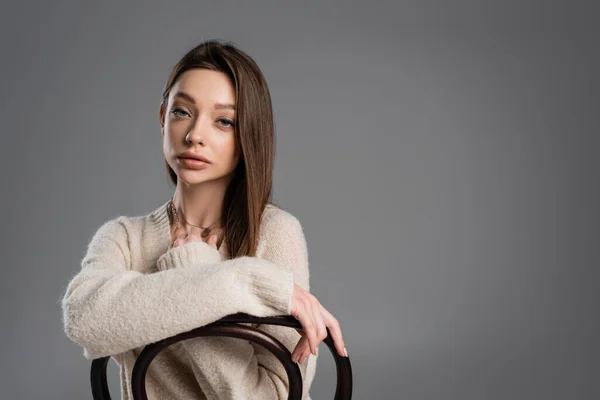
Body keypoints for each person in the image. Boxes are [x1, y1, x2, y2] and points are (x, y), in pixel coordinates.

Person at [60, 39, 347, 400]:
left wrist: (194, 267)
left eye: (223, 121)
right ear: (163, 117)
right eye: (182, 112)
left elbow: (275, 396)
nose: (195, 135)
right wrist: (249, 282)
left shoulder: (275, 233)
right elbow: (83, 319)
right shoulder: (125, 238)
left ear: (247, 136)